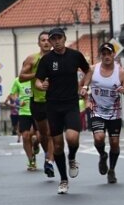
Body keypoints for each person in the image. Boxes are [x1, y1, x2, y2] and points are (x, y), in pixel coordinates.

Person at [35, 27, 90, 195]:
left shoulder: (75, 55)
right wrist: (41, 85)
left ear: (65, 38)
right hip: (53, 106)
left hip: (71, 103)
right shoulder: (46, 60)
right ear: (50, 42)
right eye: (53, 39)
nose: (56, 41)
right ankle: (63, 180)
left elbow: (88, 70)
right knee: (58, 145)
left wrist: (85, 86)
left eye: (59, 38)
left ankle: (72, 157)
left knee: (72, 137)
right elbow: (38, 80)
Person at [81, 42, 124, 184]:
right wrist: (86, 98)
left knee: (114, 142)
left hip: (114, 112)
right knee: (99, 138)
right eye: (103, 54)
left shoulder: (121, 72)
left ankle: (112, 170)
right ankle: (103, 156)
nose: (106, 56)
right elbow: (82, 86)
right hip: (96, 110)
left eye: (109, 53)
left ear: (114, 55)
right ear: (100, 56)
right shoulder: (92, 69)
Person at [20, 31, 55, 178]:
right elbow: (21, 77)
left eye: (48, 40)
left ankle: (49, 161)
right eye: (43, 40)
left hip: (53, 100)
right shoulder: (32, 59)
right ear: (39, 43)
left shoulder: (57, 58)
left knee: (52, 133)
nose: (46, 42)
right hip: (38, 102)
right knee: (43, 136)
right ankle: (47, 153)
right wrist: (37, 75)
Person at [10, 76, 37, 170]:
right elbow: (12, 94)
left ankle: (36, 145)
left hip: (37, 111)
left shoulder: (36, 78)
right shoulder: (17, 80)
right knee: (25, 136)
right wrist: (18, 101)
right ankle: (31, 161)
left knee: (37, 136)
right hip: (24, 112)